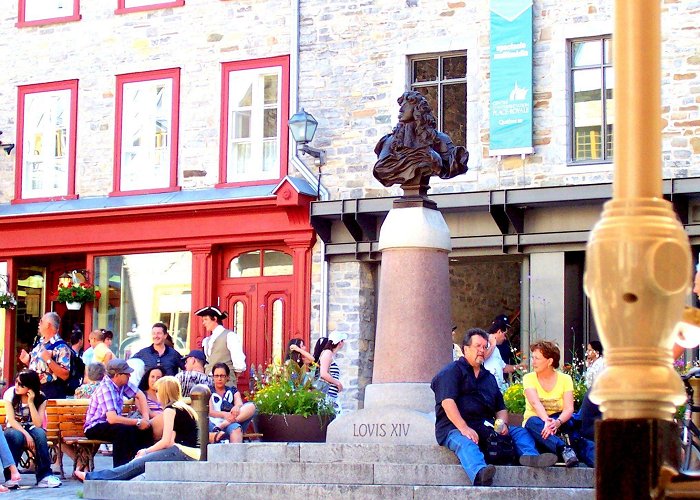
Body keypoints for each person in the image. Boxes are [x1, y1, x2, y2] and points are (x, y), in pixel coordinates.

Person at [431, 328, 557, 487]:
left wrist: (501, 424)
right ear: (465, 349)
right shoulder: (451, 372)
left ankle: (530, 456)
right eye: (477, 346)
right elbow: (447, 403)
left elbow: (501, 408)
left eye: (485, 347)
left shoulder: (488, 378)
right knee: (466, 442)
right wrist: (464, 428)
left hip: (484, 425)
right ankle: (480, 473)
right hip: (453, 427)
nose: (482, 350)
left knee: (518, 431)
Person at [75, 376, 199, 482]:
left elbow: (166, 441)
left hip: (182, 451)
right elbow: (172, 439)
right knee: (138, 461)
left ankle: (93, 477)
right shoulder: (185, 408)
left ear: (164, 392)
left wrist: (146, 451)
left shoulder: (170, 410)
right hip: (190, 451)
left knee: (137, 463)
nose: (156, 395)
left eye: (157, 391)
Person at [373, 90, 469, 196]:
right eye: (401, 106)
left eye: (406, 105)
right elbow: (381, 169)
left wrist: (435, 162)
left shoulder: (440, 140)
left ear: (417, 109)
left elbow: (452, 166)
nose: (401, 109)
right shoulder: (389, 141)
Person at [83, 359, 153, 467]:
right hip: (95, 426)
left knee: (144, 429)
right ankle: (120, 468)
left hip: (110, 424)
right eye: (127, 374)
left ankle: (142, 464)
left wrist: (145, 418)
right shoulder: (106, 388)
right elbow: (112, 419)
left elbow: (140, 395)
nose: (129, 375)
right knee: (122, 431)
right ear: (117, 375)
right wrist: (138, 422)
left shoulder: (122, 383)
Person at [522, 340, 579, 467]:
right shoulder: (529, 378)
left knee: (569, 425)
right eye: (533, 358)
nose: (533, 362)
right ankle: (564, 450)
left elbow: (569, 408)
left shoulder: (565, 379)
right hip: (537, 422)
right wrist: (547, 422)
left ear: (549, 361)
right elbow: (535, 403)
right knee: (532, 422)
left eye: (537, 358)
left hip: (558, 421)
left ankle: (558, 451)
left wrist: (557, 422)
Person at [3, 370, 61, 488]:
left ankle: (44, 476)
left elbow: (38, 423)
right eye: (16, 382)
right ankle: (10, 477)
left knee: (40, 433)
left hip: (32, 426)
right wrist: (26, 434)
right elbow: (12, 420)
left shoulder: (40, 397)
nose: (17, 386)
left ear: (30, 387)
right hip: (13, 427)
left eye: (21, 385)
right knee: (16, 436)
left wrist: (31, 403)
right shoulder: (10, 393)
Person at [19, 312, 71, 399]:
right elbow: (40, 369)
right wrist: (28, 361)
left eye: (41, 321)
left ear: (48, 325)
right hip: (36, 390)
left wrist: (48, 360)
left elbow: (65, 375)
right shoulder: (39, 343)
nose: (39, 324)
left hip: (51, 393)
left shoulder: (61, 347)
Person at [208, 363, 256, 443]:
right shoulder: (208, 391)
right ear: (213, 377)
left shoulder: (232, 390)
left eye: (222, 376)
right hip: (213, 424)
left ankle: (223, 425)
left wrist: (236, 407)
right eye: (216, 376)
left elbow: (239, 403)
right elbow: (211, 412)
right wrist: (225, 414)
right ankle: (219, 429)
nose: (219, 379)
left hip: (230, 422)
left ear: (227, 377)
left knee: (251, 406)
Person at [196, 306, 246, 379]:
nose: (204, 323)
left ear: (215, 319)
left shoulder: (230, 336)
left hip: (226, 382)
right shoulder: (207, 340)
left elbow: (238, 361)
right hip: (209, 381)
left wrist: (231, 376)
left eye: (206, 319)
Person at [313, 332, 347, 411]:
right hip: (327, 394)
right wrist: (337, 383)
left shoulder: (331, 354)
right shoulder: (327, 353)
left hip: (331, 394)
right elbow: (323, 373)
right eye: (342, 340)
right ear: (339, 342)